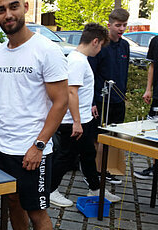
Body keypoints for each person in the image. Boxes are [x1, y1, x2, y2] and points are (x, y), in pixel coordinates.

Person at [0, 1, 68, 230]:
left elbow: (61, 102)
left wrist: (39, 145)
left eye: (13, 6)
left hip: (33, 150)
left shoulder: (46, 50)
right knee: (13, 203)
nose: (8, 14)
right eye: (2, 9)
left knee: (37, 211)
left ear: (26, 6)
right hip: (3, 147)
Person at [50, 23, 121, 208]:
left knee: (88, 154)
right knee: (66, 156)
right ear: (95, 41)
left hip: (83, 118)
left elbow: (80, 92)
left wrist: (88, 107)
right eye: (101, 46)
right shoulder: (77, 61)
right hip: (73, 121)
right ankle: (49, 190)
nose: (100, 51)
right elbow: (71, 92)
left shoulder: (80, 59)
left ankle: (96, 189)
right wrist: (76, 122)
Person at [88, 8, 130, 185]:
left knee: (113, 136)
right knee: (99, 137)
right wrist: (91, 101)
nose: (121, 29)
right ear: (109, 25)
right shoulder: (100, 46)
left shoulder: (125, 45)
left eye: (124, 25)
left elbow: (125, 71)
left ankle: (109, 168)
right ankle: (96, 171)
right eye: (118, 25)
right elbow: (90, 74)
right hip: (101, 99)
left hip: (118, 99)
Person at [133, 35, 158, 179]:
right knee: (155, 133)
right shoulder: (155, 41)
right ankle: (155, 168)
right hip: (157, 96)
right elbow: (152, 66)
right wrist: (148, 89)